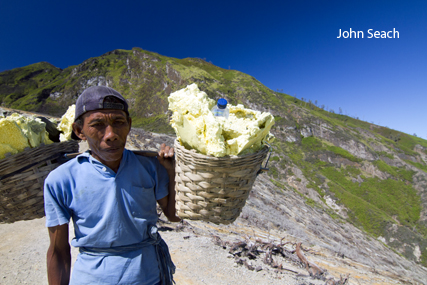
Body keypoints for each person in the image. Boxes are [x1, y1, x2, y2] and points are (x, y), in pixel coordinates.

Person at [44, 86, 180, 285]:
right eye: (98, 124)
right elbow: (58, 250)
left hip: (150, 278)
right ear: (79, 131)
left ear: (129, 124)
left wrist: (171, 171)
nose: (111, 134)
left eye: (119, 122)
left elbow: (173, 215)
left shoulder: (150, 166)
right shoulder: (61, 179)